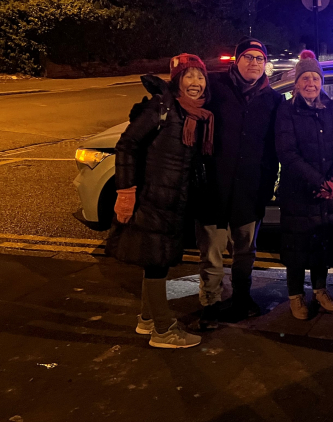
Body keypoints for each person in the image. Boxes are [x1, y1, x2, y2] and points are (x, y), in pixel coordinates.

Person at [108, 54, 214, 348]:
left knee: (154, 259)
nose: (195, 83)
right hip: (154, 197)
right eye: (189, 76)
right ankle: (164, 331)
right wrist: (125, 191)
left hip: (172, 198)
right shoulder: (162, 107)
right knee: (157, 263)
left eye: (200, 76)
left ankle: (146, 319)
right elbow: (127, 144)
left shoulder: (194, 113)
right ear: (178, 80)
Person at [196, 38, 281, 330]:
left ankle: (242, 299)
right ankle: (210, 304)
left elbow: (273, 148)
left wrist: (268, 184)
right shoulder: (216, 88)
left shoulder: (273, 99)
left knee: (245, 252)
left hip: (250, 190)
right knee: (212, 254)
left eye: (259, 58)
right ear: (237, 60)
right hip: (214, 189)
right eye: (248, 57)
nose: (254, 62)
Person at [276, 51, 333, 320]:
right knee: (296, 246)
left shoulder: (332, 108)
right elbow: (287, 152)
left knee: (321, 242)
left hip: (328, 191)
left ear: (321, 81)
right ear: (297, 83)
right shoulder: (287, 111)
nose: (310, 83)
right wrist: (319, 181)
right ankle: (296, 296)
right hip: (299, 191)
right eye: (305, 78)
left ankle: (320, 290)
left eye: (315, 78)